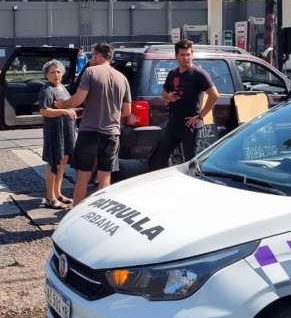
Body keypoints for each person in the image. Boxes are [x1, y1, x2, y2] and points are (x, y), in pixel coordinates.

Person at [56, 43, 131, 205]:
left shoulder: (91, 72)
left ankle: (76, 212)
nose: (90, 60)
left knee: (83, 174)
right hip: (112, 133)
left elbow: (78, 100)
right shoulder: (122, 78)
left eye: (92, 56)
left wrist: (63, 104)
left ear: (99, 56)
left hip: (90, 132)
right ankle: (98, 212)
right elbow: (126, 110)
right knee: (105, 175)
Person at [149, 39, 220, 171]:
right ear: (176, 56)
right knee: (159, 160)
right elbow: (164, 91)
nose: (186, 58)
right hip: (174, 123)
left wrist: (200, 116)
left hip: (190, 124)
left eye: (188, 54)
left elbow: (214, 95)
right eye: (182, 55)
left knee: (191, 163)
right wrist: (168, 96)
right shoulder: (173, 73)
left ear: (192, 55)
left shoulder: (199, 74)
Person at [39, 60, 78, 209]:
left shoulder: (63, 88)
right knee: (54, 162)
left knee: (62, 163)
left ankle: (58, 193)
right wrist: (63, 111)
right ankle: (50, 197)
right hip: (55, 131)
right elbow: (44, 111)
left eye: (59, 71)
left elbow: (69, 107)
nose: (56, 75)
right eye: (53, 72)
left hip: (66, 130)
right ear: (47, 75)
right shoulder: (47, 90)